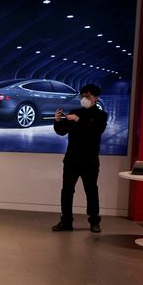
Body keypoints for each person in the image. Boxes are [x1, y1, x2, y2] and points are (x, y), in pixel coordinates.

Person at [52, 84, 108, 232]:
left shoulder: (101, 115)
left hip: (90, 160)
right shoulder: (75, 112)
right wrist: (58, 121)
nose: (84, 99)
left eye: (88, 96)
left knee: (91, 190)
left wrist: (79, 120)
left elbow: (96, 130)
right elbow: (62, 131)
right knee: (67, 191)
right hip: (72, 159)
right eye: (82, 96)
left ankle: (94, 221)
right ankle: (66, 221)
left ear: (95, 98)